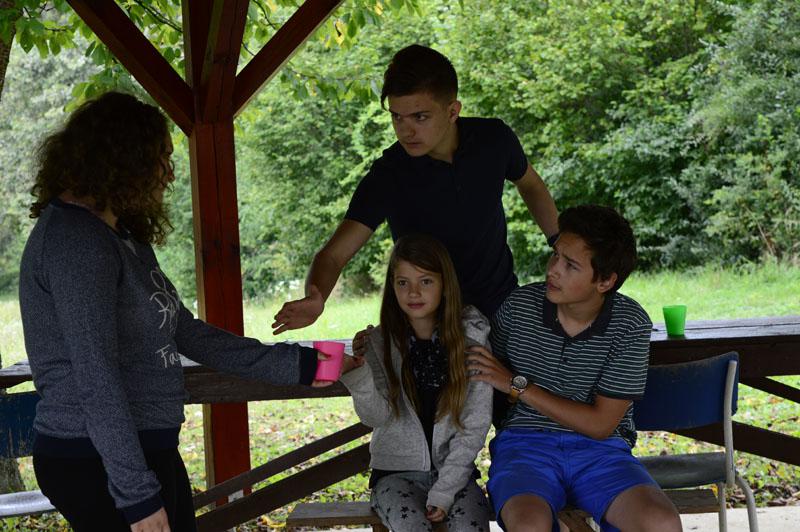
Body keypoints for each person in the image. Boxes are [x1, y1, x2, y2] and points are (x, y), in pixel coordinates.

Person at [18, 92, 330, 532]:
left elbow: (187, 331)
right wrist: (136, 496)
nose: (169, 173)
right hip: (94, 459)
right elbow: (95, 375)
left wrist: (307, 364)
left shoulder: (121, 236)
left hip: (143, 449)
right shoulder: (77, 242)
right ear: (122, 159)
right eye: (160, 158)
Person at [272, 43, 558, 334]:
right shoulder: (388, 174)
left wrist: (559, 243)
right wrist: (316, 296)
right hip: (428, 324)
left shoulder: (494, 139)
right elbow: (333, 255)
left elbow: (531, 185)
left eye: (420, 117)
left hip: (501, 307)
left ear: (452, 111)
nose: (405, 131)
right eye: (397, 117)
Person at [466, 205, 682, 532]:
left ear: (605, 281)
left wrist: (519, 386)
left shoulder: (630, 324)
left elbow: (600, 425)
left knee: (661, 523)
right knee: (528, 525)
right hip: (524, 445)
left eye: (570, 265)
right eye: (555, 255)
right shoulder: (519, 307)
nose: (553, 270)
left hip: (602, 452)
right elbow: (486, 371)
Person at [338, 234, 493, 531]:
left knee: (471, 526)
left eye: (426, 281)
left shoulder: (471, 338)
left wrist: (445, 489)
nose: (413, 292)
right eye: (402, 282)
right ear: (392, 287)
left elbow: (475, 422)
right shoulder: (378, 343)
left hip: (455, 474)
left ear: (445, 284)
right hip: (394, 475)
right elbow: (375, 417)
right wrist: (357, 376)